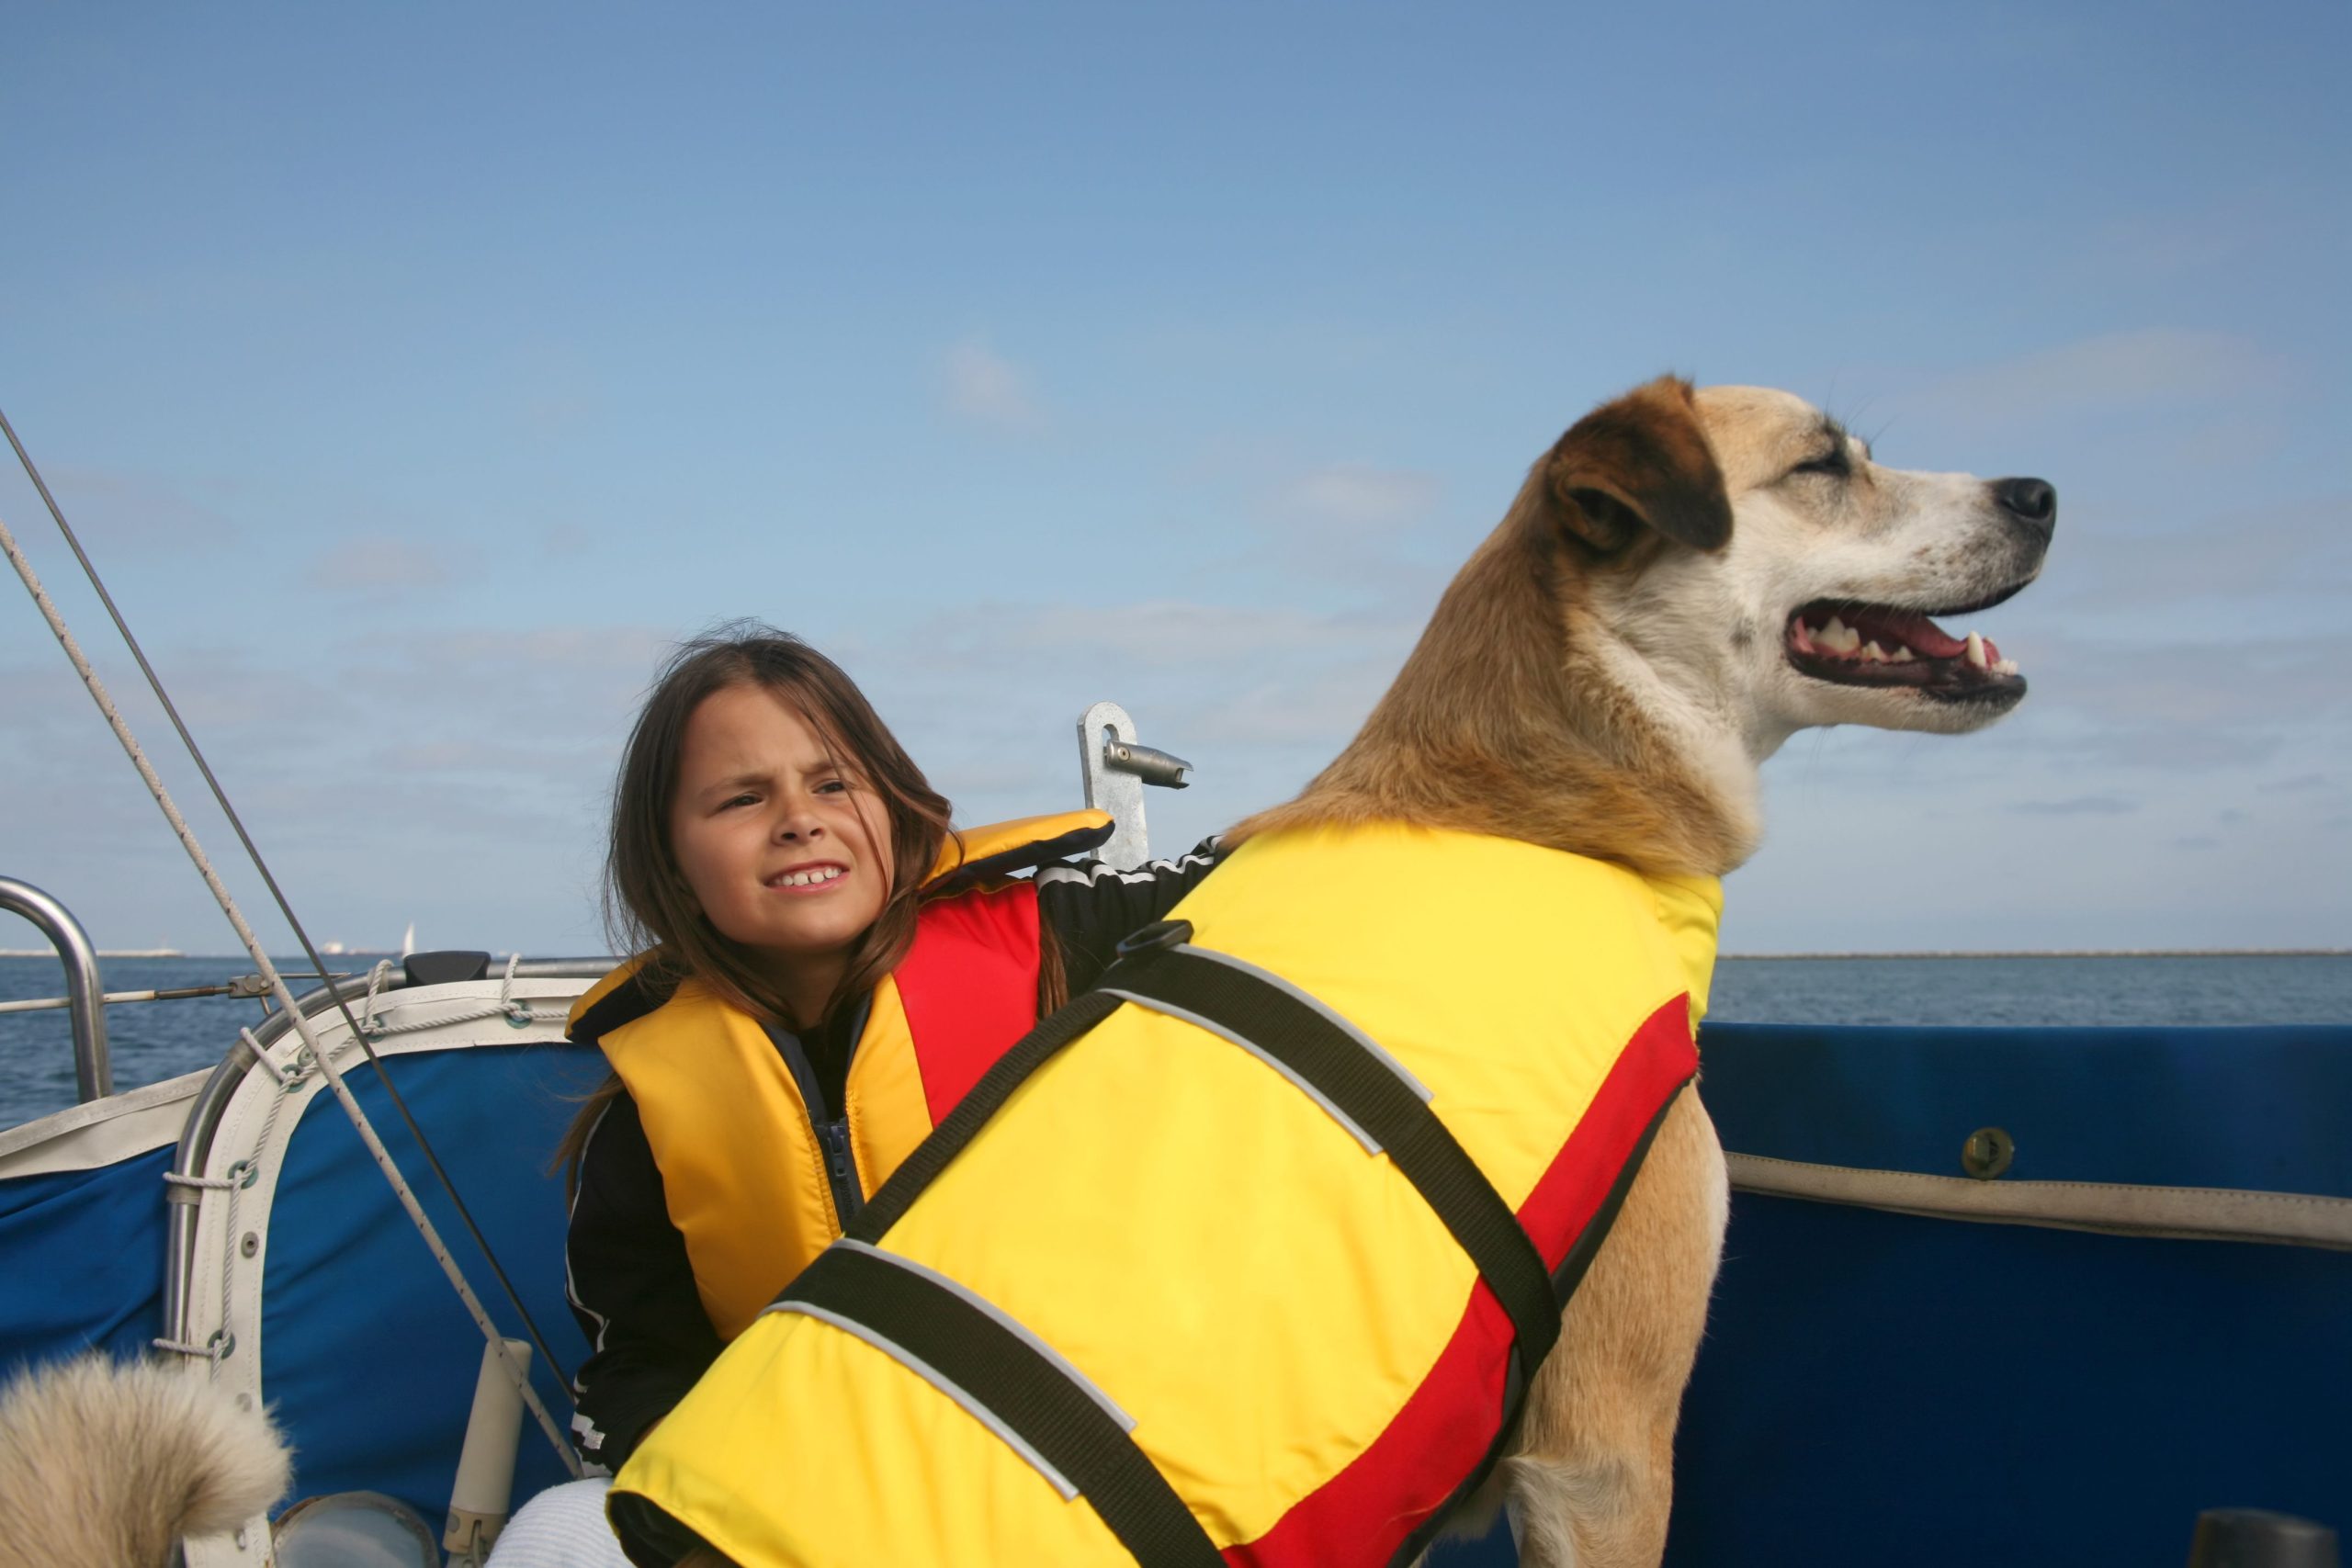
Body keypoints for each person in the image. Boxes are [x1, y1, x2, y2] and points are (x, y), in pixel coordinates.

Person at [487, 626, 1218, 1567]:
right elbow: (637, 1372)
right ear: (672, 861)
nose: (799, 818)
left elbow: (1275, 879)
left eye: (833, 783)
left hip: (1095, 1483)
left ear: (895, 805)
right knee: (561, 1537)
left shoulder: (1071, 940)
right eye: (742, 798)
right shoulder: (645, 1122)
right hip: (812, 1511)